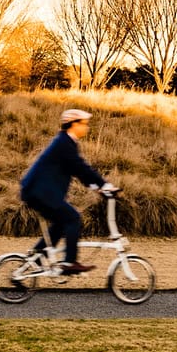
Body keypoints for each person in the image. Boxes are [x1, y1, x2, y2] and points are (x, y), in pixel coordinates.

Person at [19, 107, 114, 275]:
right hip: (40, 193)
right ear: (72, 124)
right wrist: (103, 185)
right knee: (73, 219)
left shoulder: (65, 142)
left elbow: (77, 170)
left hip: (38, 192)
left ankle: (36, 259)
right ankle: (69, 262)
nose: (86, 127)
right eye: (84, 124)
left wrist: (96, 187)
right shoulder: (64, 143)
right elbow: (80, 167)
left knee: (61, 224)